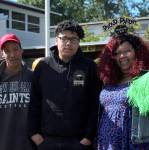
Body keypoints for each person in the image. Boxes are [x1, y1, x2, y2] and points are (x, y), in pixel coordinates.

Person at [28, 20, 102, 150]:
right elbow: (34, 102)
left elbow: (95, 104)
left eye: (73, 39)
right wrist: (35, 135)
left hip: (79, 143)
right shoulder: (43, 66)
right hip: (46, 142)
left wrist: (88, 138)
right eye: (64, 38)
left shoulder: (89, 67)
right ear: (56, 40)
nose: (68, 43)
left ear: (79, 42)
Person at [97, 25, 149, 150]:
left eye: (127, 51)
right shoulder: (109, 81)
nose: (122, 56)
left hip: (132, 142)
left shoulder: (145, 79)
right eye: (117, 53)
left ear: (137, 52)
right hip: (106, 141)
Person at [0, 33, 33, 150]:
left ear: (21, 50)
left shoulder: (33, 77)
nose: (12, 54)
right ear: (2, 54)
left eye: (15, 49)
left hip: (27, 144)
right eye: (7, 51)